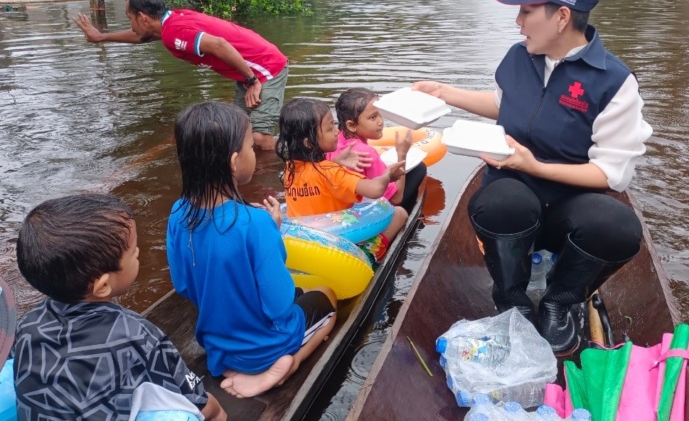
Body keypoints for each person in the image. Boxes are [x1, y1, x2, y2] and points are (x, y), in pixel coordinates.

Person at [413, 0, 653, 356]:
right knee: (497, 201)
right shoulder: (519, 57)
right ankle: (512, 298)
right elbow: (504, 104)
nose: (518, 21)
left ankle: (562, 300)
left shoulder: (613, 82)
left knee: (618, 226)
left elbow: (611, 175)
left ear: (561, 16)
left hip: (569, 210)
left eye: (527, 11)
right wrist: (444, 92)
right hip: (515, 205)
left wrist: (535, 166)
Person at [166, 101, 337, 398]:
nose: (254, 154)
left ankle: (241, 366)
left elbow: (183, 286)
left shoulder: (179, 213)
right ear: (234, 162)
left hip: (218, 347)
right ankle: (289, 364)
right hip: (267, 350)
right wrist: (272, 230)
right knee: (327, 296)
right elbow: (279, 304)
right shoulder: (256, 223)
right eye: (251, 148)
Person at [13, 194, 227, 420]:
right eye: (133, 251)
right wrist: (215, 412)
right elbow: (195, 398)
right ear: (103, 286)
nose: (138, 253)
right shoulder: (136, 334)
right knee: (213, 413)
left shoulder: (27, 325)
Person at [73, 0, 288, 150]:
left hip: (265, 67)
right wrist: (102, 37)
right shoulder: (170, 23)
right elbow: (142, 35)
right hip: (248, 72)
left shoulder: (173, 33)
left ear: (143, 17)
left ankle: (294, 156)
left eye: (130, 18)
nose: (131, 25)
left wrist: (252, 81)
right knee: (240, 133)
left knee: (259, 138)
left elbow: (219, 44)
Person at [277, 98, 408, 263]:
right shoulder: (333, 173)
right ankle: (370, 255)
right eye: (330, 127)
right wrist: (388, 175)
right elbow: (375, 190)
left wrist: (335, 162)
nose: (336, 131)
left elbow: (314, 180)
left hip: (303, 241)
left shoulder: (290, 169)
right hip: (337, 243)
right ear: (309, 142)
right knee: (399, 214)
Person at [327, 87, 427, 215]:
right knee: (419, 169)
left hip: (343, 207)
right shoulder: (366, 152)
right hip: (364, 213)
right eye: (373, 118)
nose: (380, 122)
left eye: (380, 114)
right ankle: (405, 218)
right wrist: (402, 153)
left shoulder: (335, 143)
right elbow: (396, 198)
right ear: (351, 125)